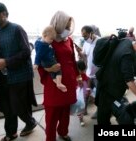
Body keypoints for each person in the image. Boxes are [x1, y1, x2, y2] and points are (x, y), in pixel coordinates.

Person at [0, 1, 37, 141]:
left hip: (20, 76)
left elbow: (27, 51)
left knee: (19, 106)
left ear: (4, 14)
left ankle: (30, 122)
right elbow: (2, 52)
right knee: (7, 108)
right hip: (4, 77)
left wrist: (7, 62)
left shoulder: (16, 29)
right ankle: (11, 134)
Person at [37, 11, 79, 141]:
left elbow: (72, 59)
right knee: (52, 113)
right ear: (57, 24)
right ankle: (50, 138)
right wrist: (48, 69)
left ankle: (63, 131)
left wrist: (78, 76)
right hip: (54, 82)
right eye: (65, 26)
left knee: (65, 110)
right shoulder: (46, 41)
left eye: (68, 27)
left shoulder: (69, 40)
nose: (67, 30)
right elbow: (39, 61)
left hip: (69, 81)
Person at [96, 35, 136, 125]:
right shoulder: (128, 55)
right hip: (109, 88)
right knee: (104, 115)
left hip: (106, 81)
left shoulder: (126, 41)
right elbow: (129, 81)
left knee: (106, 111)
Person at [34, 25, 67, 92]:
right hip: (49, 60)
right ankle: (59, 83)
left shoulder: (39, 42)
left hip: (45, 63)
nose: (52, 41)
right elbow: (38, 55)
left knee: (52, 73)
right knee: (58, 70)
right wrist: (36, 63)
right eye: (51, 39)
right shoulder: (43, 45)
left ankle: (57, 84)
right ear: (44, 35)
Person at [79, 25, 100, 119]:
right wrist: (81, 53)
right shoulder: (86, 43)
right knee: (85, 93)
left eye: (85, 36)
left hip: (98, 75)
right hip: (88, 74)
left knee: (99, 95)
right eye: (83, 36)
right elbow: (85, 58)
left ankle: (99, 111)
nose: (84, 38)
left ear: (91, 33)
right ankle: (84, 109)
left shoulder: (100, 42)